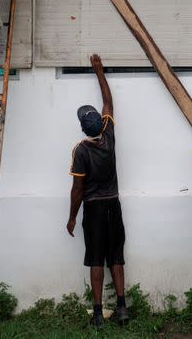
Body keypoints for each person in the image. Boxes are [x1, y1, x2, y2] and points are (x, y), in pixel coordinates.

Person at [66, 54, 129, 327]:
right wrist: (99, 71)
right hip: (113, 205)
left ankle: (97, 314)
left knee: (95, 259)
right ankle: (123, 308)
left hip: (93, 209)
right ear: (99, 123)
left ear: (82, 127)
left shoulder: (81, 150)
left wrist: (71, 217)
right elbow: (108, 101)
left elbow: (77, 190)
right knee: (116, 257)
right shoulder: (109, 135)